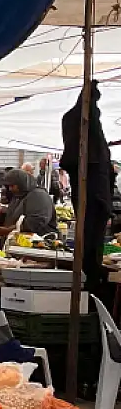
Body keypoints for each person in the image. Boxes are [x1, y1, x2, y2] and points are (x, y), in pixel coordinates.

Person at [62, 82, 113, 295]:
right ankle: (90, 284)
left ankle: (89, 282)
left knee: (89, 240)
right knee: (91, 242)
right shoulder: (83, 120)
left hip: (89, 189)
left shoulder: (74, 119)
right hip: (93, 191)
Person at [0, 167, 57, 236]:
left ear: (21, 183)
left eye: (12, 186)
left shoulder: (39, 195)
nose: (10, 189)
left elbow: (36, 221)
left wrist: (9, 230)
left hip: (37, 243)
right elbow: (13, 217)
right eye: (8, 186)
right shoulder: (18, 196)